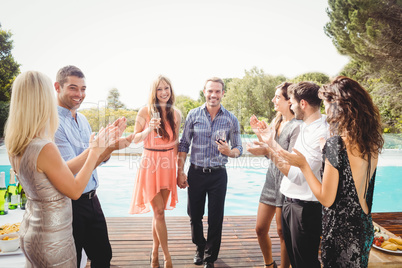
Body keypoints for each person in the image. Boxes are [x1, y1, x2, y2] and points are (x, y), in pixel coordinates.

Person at [4, 71, 118, 267]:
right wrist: (95, 150)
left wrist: (99, 148)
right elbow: (74, 190)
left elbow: (59, 169)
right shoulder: (44, 146)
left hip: (32, 230)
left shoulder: (16, 142)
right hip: (53, 238)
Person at [279, 76, 384, 267]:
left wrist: (303, 164)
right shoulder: (371, 143)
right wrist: (327, 152)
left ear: (338, 107)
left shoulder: (336, 145)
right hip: (363, 228)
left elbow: (326, 198)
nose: (326, 112)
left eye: (327, 104)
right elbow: (353, 180)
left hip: (340, 233)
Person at [54, 65, 132, 268]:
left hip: (92, 200)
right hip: (70, 204)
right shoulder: (53, 124)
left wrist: (109, 146)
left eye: (83, 89)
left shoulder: (83, 119)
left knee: (103, 256)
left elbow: (94, 161)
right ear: (57, 87)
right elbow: (69, 172)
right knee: (74, 260)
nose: (79, 94)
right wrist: (99, 147)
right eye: (73, 88)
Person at [248, 81, 327, 268]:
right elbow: (290, 160)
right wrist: (270, 142)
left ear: (303, 104)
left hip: (304, 208)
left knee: (305, 263)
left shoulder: (319, 131)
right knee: (296, 260)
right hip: (291, 200)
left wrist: (269, 149)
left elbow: (297, 176)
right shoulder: (307, 126)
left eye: (291, 101)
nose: (290, 105)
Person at [177, 77, 243, 268]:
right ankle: (199, 246)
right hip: (195, 173)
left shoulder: (231, 119)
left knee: (216, 217)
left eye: (217, 91)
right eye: (210, 91)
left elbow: (239, 146)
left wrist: (230, 152)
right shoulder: (193, 115)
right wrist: (180, 171)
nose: (213, 95)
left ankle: (210, 257)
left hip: (218, 175)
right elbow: (184, 144)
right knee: (194, 215)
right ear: (204, 92)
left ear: (223, 93)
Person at [129, 75, 181, 268]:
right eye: (159, 89)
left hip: (168, 163)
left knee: (158, 214)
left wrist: (178, 171)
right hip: (150, 163)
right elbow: (135, 139)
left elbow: (175, 144)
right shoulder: (144, 111)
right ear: (154, 92)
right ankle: (167, 257)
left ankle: (154, 253)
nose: (164, 92)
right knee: (158, 211)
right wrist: (148, 130)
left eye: (166, 88)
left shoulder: (174, 114)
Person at [247, 82, 300, 268]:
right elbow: (270, 150)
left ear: (289, 101)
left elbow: (290, 159)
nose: (273, 100)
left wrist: (266, 148)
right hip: (271, 180)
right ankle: (269, 264)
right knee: (260, 228)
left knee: (281, 232)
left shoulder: (297, 126)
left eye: (278, 97)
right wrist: (260, 139)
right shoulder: (276, 121)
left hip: (287, 182)